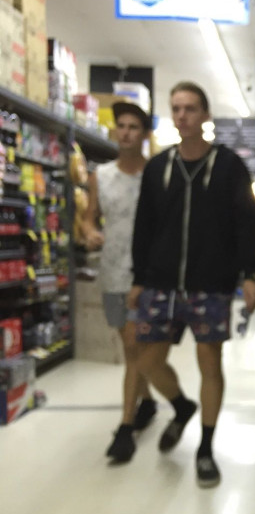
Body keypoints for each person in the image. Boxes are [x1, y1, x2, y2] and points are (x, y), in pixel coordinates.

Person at [128, 81, 255, 488]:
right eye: (176, 108)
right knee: (148, 361)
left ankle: (205, 448)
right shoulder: (158, 168)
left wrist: (251, 274)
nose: (182, 115)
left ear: (205, 115)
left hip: (211, 284)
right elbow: (144, 228)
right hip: (161, 284)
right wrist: (138, 278)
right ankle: (181, 406)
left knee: (210, 364)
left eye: (190, 108)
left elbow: (246, 224)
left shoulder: (228, 167)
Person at [81, 101, 158, 463]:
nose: (125, 132)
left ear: (144, 134)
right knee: (129, 346)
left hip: (144, 275)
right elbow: (88, 218)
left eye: (133, 126)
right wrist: (90, 232)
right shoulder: (101, 175)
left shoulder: (156, 175)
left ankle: (125, 429)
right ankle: (146, 402)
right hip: (111, 272)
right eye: (121, 125)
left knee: (133, 347)